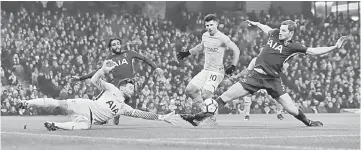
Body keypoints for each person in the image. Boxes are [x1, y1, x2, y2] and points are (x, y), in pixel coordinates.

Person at [181, 19, 347, 127]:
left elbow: (314, 51)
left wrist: (334, 47)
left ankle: (309, 122)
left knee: (290, 108)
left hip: (273, 80)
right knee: (225, 97)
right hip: (254, 77)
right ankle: (197, 117)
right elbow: (266, 28)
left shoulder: (294, 46)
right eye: (280, 29)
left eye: (283, 31)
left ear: (291, 33)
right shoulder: (274, 34)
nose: (279, 32)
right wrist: (256, 23)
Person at [17, 60, 178, 131]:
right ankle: (27, 102)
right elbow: (94, 80)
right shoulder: (111, 88)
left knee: (85, 127)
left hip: (89, 118)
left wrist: (162, 117)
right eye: (130, 86)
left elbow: (141, 114)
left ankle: (55, 125)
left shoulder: (124, 107)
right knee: (58, 103)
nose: (132, 90)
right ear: (122, 86)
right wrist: (103, 70)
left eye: (133, 88)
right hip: (85, 105)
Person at [72, 37, 166, 125]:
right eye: (114, 44)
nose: (117, 46)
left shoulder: (128, 53)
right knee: (99, 102)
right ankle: (88, 116)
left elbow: (144, 58)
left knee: (123, 107)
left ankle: (114, 116)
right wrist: (81, 78)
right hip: (115, 86)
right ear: (110, 47)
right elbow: (98, 70)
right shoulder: (109, 59)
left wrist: (156, 67)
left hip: (128, 86)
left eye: (118, 44)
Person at [177, 14, 240, 124]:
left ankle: (211, 118)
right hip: (206, 70)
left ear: (217, 24)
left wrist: (233, 66)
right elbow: (201, 46)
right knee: (190, 90)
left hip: (217, 71)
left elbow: (236, 50)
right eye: (207, 25)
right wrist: (187, 53)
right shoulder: (205, 35)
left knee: (206, 94)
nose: (209, 27)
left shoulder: (222, 38)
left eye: (211, 25)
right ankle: (207, 112)